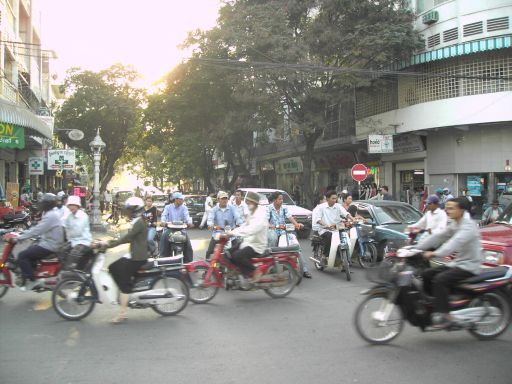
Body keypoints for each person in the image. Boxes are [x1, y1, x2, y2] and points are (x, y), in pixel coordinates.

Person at [416, 197, 482, 328]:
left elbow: (453, 243)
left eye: (451, 208)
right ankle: (435, 306)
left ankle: (446, 315)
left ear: (462, 210)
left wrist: (435, 253)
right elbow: (439, 235)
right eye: (447, 207)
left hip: (469, 266)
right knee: (426, 274)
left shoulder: (468, 226)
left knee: (440, 280)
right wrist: (417, 248)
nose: (447, 210)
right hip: (458, 263)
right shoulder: (456, 223)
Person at [100, 197, 149, 323]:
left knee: (120, 274)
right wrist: (108, 241)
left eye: (129, 210)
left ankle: (122, 312)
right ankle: (126, 291)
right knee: (113, 267)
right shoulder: (137, 221)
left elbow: (127, 238)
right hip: (133, 254)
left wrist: (109, 244)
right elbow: (126, 237)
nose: (127, 212)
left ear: (135, 210)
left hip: (138, 257)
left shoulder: (139, 222)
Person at [6, 194, 64, 290]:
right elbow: (39, 228)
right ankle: (30, 274)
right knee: (29, 250)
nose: (40, 205)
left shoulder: (51, 215)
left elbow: (37, 230)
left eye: (43, 203)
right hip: (48, 242)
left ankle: (32, 280)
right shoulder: (49, 213)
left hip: (50, 245)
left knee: (22, 256)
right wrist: (22, 232)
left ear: (47, 204)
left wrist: (20, 237)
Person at [266, 191, 312, 278]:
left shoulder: (284, 208)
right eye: (280, 199)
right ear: (275, 200)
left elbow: (290, 217)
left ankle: (304, 269)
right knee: (272, 239)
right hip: (273, 231)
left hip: (284, 231)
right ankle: (270, 265)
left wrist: (297, 224)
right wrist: (277, 226)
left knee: (295, 246)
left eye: (282, 199)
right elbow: (266, 223)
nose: (282, 201)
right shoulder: (268, 209)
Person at [226, 191, 268, 282]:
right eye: (247, 202)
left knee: (237, 255)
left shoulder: (260, 214)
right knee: (228, 253)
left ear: (255, 203)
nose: (247, 204)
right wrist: (231, 232)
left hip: (257, 244)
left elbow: (251, 230)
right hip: (248, 241)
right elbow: (245, 225)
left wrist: (233, 233)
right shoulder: (251, 212)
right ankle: (240, 271)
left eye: (249, 202)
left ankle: (255, 271)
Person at [205, 191, 242, 260]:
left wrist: (240, 225)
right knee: (209, 252)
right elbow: (210, 221)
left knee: (238, 252)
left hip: (231, 233)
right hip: (218, 233)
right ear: (218, 199)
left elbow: (238, 218)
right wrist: (213, 226)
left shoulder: (232, 208)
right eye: (222, 198)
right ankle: (207, 267)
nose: (224, 200)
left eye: (226, 198)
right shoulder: (214, 210)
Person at [159, 192, 194, 262]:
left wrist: (190, 223)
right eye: (181, 199)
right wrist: (163, 222)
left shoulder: (184, 208)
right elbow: (164, 216)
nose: (182, 200)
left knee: (188, 246)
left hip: (181, 230)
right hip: (169, 230)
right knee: (163, 238)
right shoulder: (168, 207)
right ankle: (162, 260)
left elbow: (187, 216)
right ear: (176, 199)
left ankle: (189, 263)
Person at [64, 195, 93, 270]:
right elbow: (66, 228)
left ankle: (71, 274)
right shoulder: (69, 216)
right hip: (73, 241)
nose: (71, 207)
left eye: (73, 205)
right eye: (70, 205)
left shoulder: (82, 216)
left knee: (73, 256)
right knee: (61, 251)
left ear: (77, 206)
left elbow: (77, 232)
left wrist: (70, 233)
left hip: (83, 241)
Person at [317, 190, 350, 257]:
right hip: (325, 230)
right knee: (329, 236)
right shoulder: (321, 207)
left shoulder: (338, 206)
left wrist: (353, 219)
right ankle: (325, 255)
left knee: (345, 236)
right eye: (333, 198)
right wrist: (325, 225)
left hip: (337, 229)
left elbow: (345, 214)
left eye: (336, 198)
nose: (335, 200)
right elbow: (318, 220)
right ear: (327, 199)